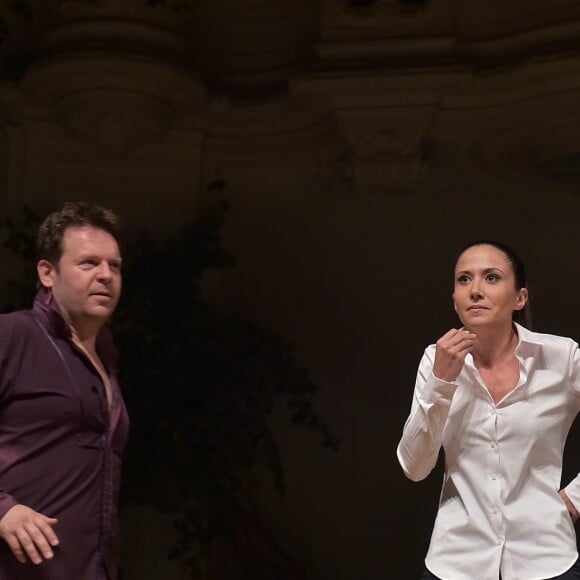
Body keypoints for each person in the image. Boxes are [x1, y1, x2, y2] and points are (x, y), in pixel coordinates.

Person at [397, 240, 580, 580]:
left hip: (546, 559)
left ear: (519, 298)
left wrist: (576, 497)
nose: (475, 290)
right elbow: (415, 467)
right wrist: (441, 381)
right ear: (454, 301)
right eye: (464, 279)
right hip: (456, 562)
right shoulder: (434, 360)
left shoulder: (561, 357)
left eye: (491, 277)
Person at [0, 201, 129, 579]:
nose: (106, 275)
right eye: (88, 263)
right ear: (47, 273)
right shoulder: (13, 335)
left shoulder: (106, 356)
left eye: (115, 265)